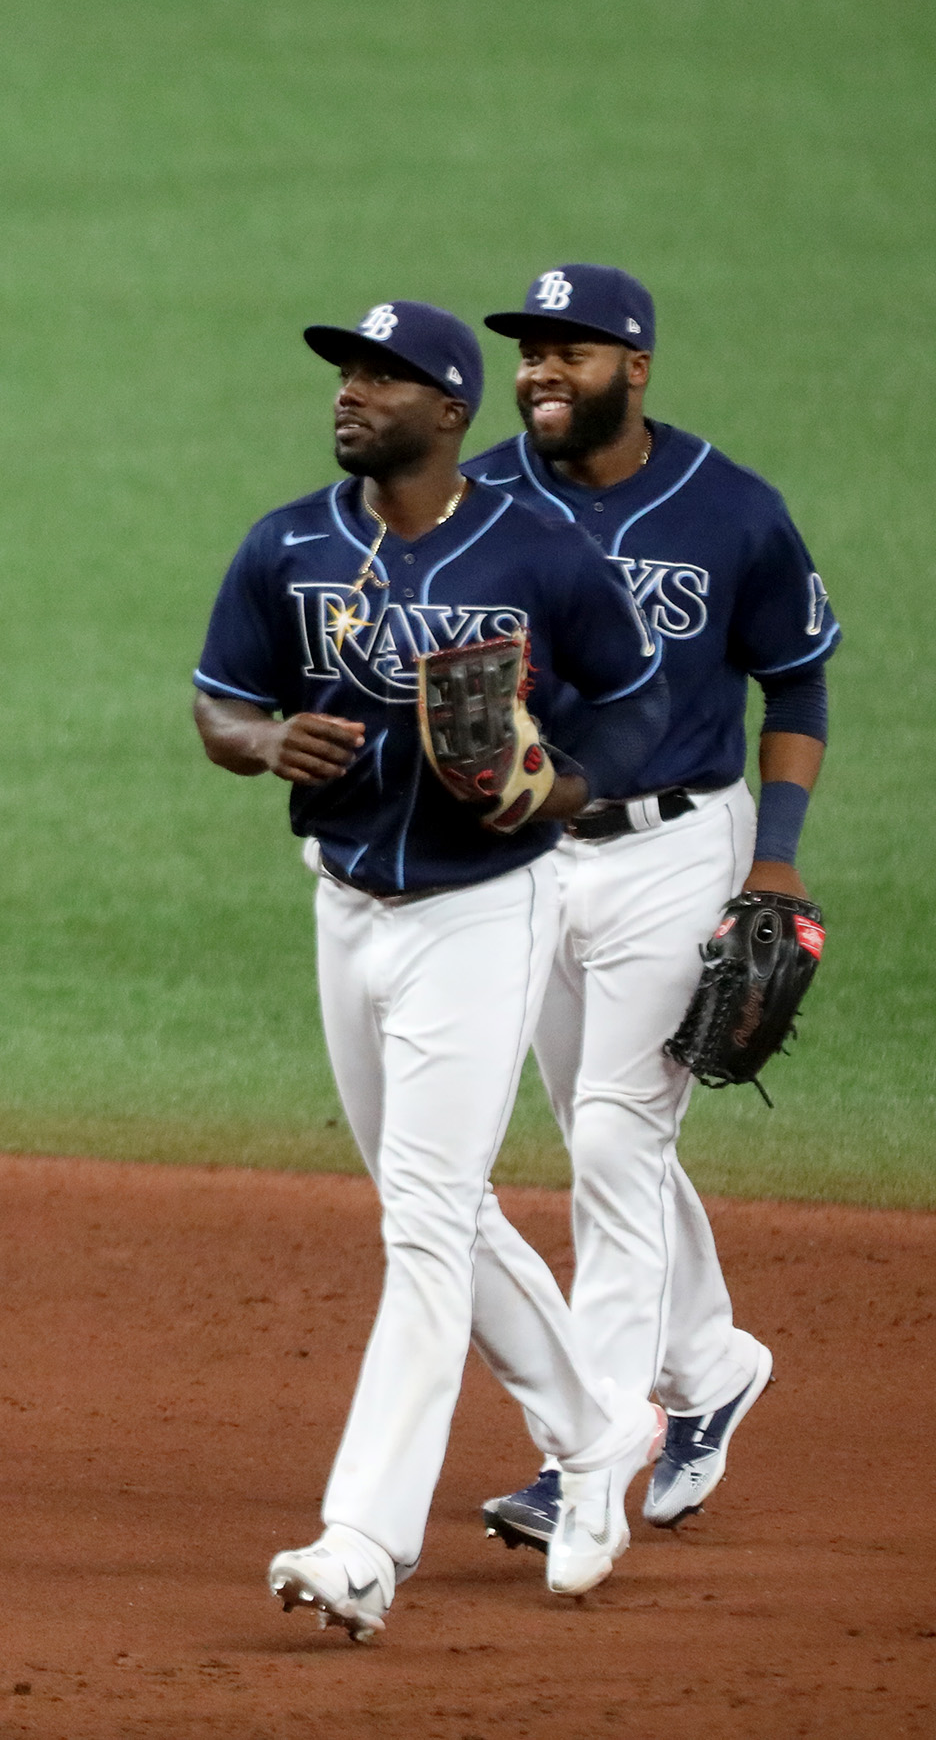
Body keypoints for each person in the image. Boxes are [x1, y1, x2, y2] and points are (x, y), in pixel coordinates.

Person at [191, 300, 673, 1642]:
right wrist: (263, 741)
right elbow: (219, 698)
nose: (351, 390)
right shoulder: (288, 542)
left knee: (421, 1218)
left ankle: (361, 1543)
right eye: (346, 370)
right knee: (439, 1209)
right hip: (345, 906)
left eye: (383, 375)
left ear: (449, 411)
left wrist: (558, 788)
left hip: (482, 914)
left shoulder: (541, 550)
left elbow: (645, 704)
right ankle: (600, 1427)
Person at [456, 266, 836, 1552]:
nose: (543, 370)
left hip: (680, 849)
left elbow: (797, 687)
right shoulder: (481, 499)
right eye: (529, 352)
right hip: (526, 852)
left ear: (639, 366)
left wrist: (773, 862)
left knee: (617, 1141)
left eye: (573, 350)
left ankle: (587, 1459)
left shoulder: (733, 512)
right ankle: (715, 1364)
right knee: (598, 1126)